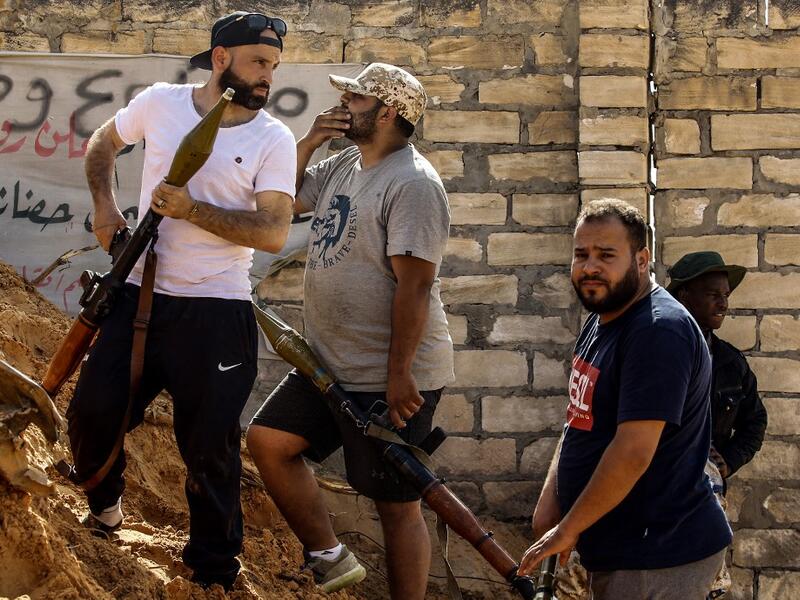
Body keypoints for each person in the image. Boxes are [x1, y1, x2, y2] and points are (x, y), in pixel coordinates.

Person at [66, 11, 295, 591]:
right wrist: (104, 207)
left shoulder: (273, 138)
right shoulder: (162, 103)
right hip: (139, 297)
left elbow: (271, 232)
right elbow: (103, 142)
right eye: (258, 63)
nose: (268, 76)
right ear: (221, 58)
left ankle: (214, 570)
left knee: (209, 450)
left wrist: (192, 210)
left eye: (273, 65)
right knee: (92, 415)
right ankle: (106, 509)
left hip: (217, 313)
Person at [246, 63, 453, 598]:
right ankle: (330, 556)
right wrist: (311, 139)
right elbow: (280, 202)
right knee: (269, 441)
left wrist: (400, 376)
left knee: (395, 501)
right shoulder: (343, 163)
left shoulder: (414, 184)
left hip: (391, 375)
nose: (344, 105)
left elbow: (415, 287)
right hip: (329, 362)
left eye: (357, 99)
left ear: (387, 113)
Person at [518, 200, 732, 600]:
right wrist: (551, 504)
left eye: (606, 255)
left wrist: (567, 530)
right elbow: (578, 418)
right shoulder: (603, 319)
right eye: (581, 254)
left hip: (659, 553)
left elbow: (633, 451)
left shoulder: (658, 332)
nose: (590, 267)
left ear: (641, 260)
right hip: (622, 548)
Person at [667, 251, 767, 483]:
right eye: (713, 294)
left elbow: (755, 421)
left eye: (726, 295)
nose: (723, 303)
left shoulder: (730, 363)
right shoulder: (658, 354)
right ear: (684, 296)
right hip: (658, 492)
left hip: (707, 493)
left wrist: (729, 462)